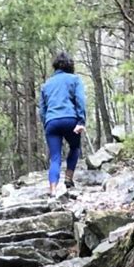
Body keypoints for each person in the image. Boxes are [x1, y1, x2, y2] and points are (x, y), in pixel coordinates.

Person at [39, 51, 86, 197]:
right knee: (75, 147)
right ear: (70, 66)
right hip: (70, 120)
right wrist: (81, 120)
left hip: (52, 121)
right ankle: (68, 179)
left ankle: (53, 190)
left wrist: (46, 123)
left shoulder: (46, 85)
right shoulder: (74, 79)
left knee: (55, 157)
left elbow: (42, 109)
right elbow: (80, 100)